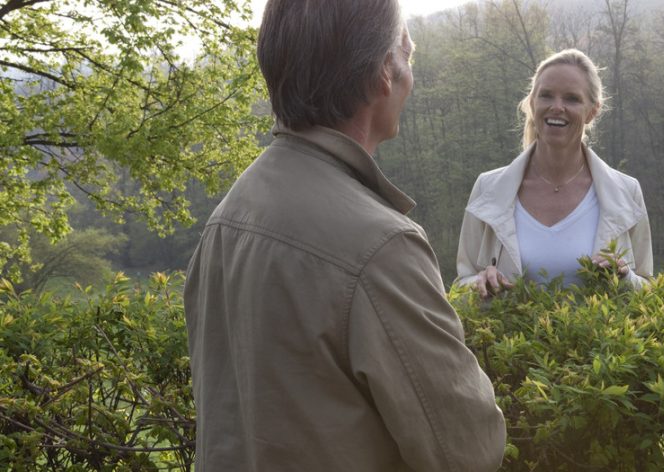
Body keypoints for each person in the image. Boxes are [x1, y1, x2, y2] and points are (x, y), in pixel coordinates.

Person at [183, 1, 506, 470]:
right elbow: (468, 450)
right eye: (407, 53)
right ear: (382, 73)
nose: (410, 75)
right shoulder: (380, 247)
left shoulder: (229, 215)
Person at [455, 49, 653, 297]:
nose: (557, 107)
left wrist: (625, 278)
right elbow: (461, 284)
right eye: (546, 96)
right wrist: (478, 284)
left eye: (571, 99)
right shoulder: (489, 188)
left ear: (592, 111)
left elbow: (648, 289)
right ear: (532, 103)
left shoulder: (627, 192)